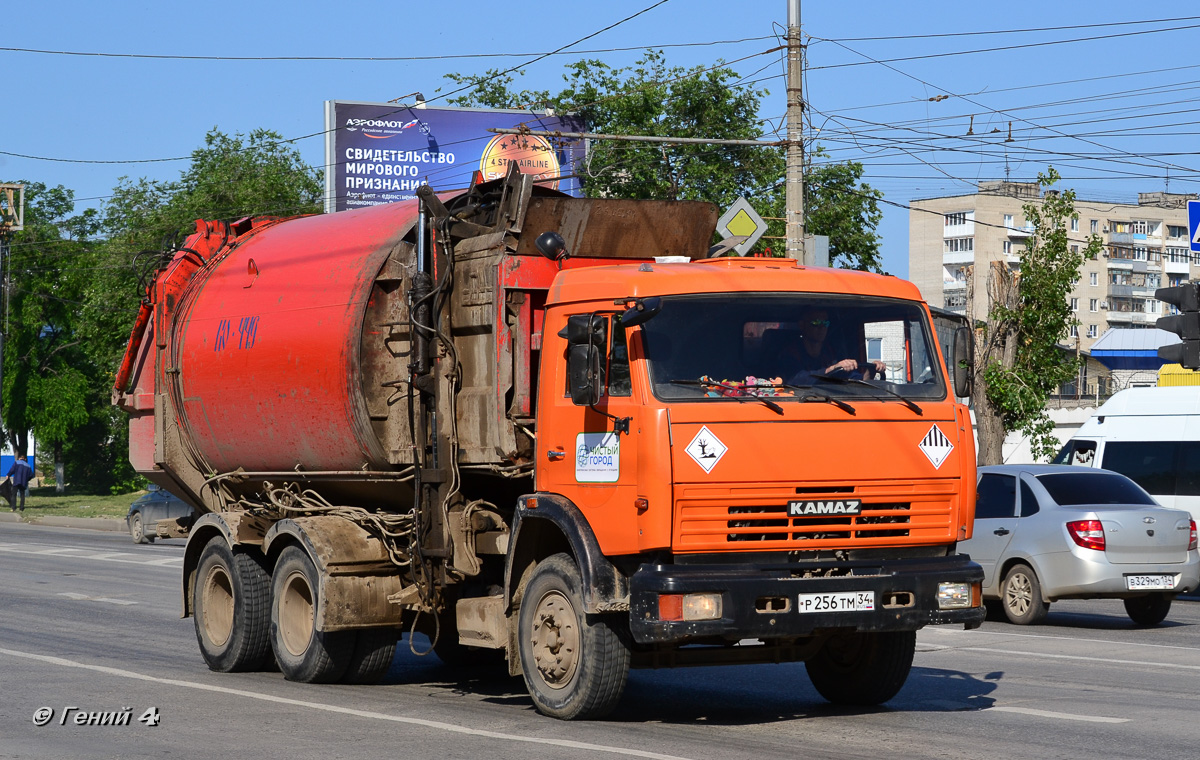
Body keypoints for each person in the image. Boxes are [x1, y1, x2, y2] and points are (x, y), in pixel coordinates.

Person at [782, 308, 885, 385]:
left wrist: (870, 371)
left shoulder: (831, 353)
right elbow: (795, 379)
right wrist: (831, 369)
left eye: (825, 323)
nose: (821, 327)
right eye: (816, 322)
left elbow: (852, 379)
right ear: (802, 325)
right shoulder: (789, 353)